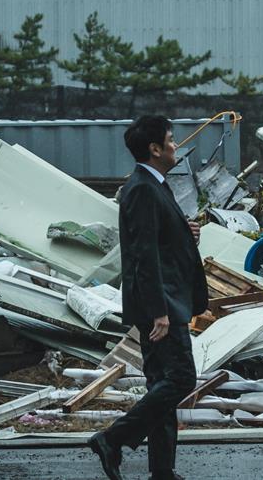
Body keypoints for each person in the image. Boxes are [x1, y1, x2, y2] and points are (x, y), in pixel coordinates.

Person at [89, 116, 207, 480]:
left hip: (167, 301)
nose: (176, 145)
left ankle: (162, 471)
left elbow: (157, 239)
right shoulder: (142, 188)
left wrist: (184, 233)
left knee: (162, 386)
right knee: (182, 379)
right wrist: (159, 311)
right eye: (171, 140)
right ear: (155, 149)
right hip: (163, 306)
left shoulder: (154, 184)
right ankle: (113, 438)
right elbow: (143, 255)